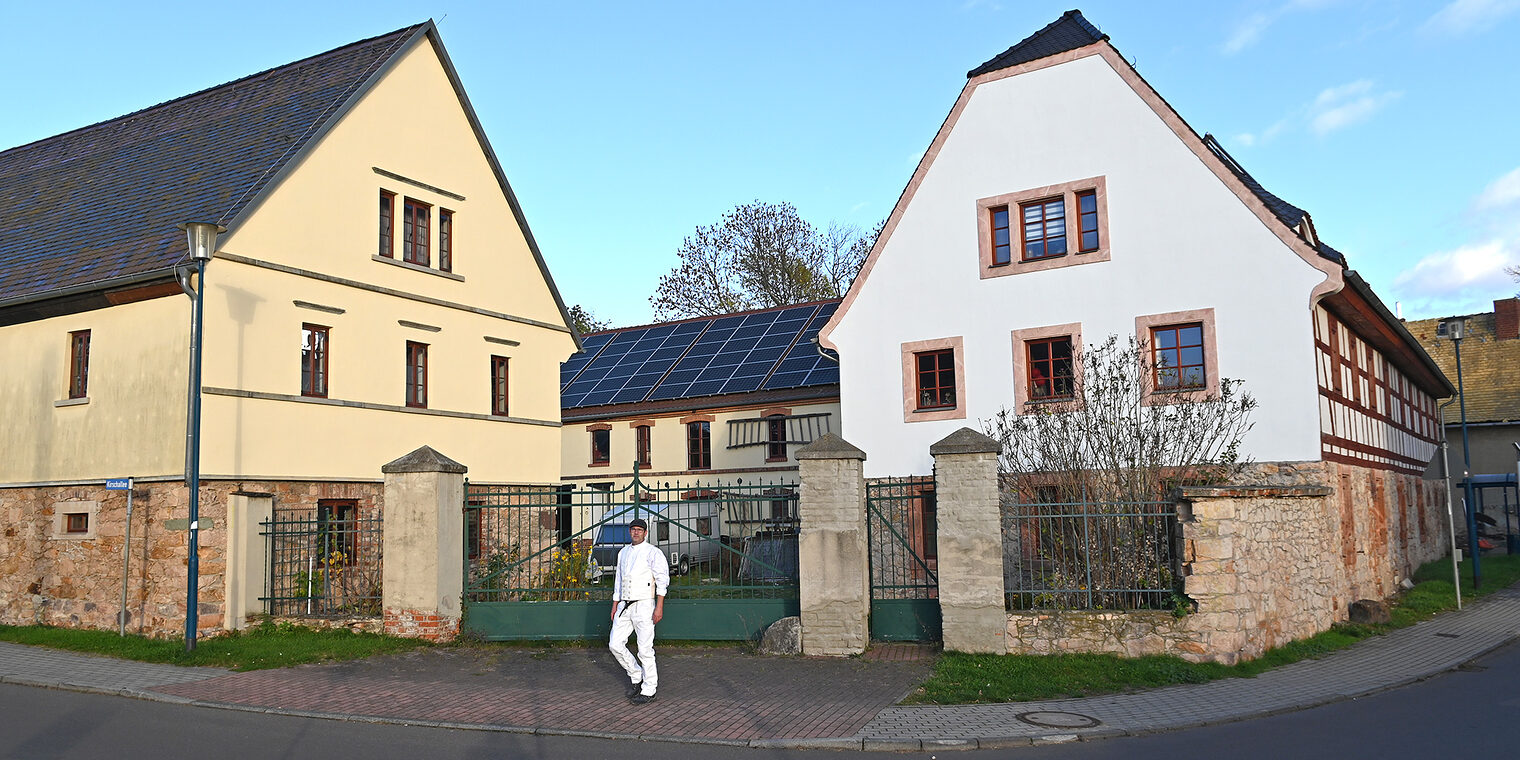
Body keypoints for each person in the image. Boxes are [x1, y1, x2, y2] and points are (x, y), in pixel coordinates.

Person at [609, 517, 668, 704]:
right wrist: (615, 604)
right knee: (615, 644)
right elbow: (619, 580)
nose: (636, 532)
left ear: (645, 532)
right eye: (633, 529)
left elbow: (662, 580)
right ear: (629, 531)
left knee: (645, 649)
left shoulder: (653, 553)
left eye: (639, 530)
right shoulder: (623, 553)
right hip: (624, 605)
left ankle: (649, 689)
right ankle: (637, 676)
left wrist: (659, 606)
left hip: (644, 604)